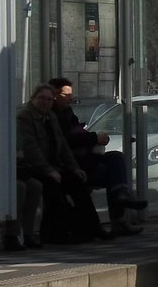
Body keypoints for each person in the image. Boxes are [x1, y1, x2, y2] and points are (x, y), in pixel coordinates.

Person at [48, 77, 145, 236]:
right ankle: (118, 214)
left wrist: (95, 139)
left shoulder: (67, 111)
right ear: (55, 95)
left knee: (115, 158)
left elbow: (78, 132)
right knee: (110, 174)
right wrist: (94, 138)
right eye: (66, 95)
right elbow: (66, 140)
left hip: (83, 158)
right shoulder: (52, 116)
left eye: (71, 95)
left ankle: (121, 198)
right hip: (69, 163)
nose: (70, 99)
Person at [16, 83, 113, 243]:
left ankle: (92, 228)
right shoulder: (24, 117)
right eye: (41, 98)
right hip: (31, 168)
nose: (45, 102)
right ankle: (56, 233)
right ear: (33, 98)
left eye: (49, 99)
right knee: (53, 188)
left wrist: (74, 167)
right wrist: (49, 171)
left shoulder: (50, 117)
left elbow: (62, 146)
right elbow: (31, 149)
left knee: (77, 182)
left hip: (52, 167)